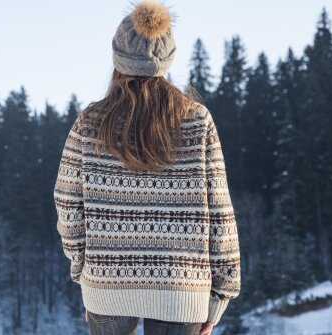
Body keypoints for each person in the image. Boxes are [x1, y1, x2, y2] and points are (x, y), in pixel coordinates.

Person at [53, 1, 241, 334]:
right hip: (181, 287)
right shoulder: (197, 121)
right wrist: (219, 295)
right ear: (167, 60)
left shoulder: (90, 123)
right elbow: (220, 214)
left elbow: (69, 206)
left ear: (117, 57)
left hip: (107, 283)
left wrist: (84, 271)